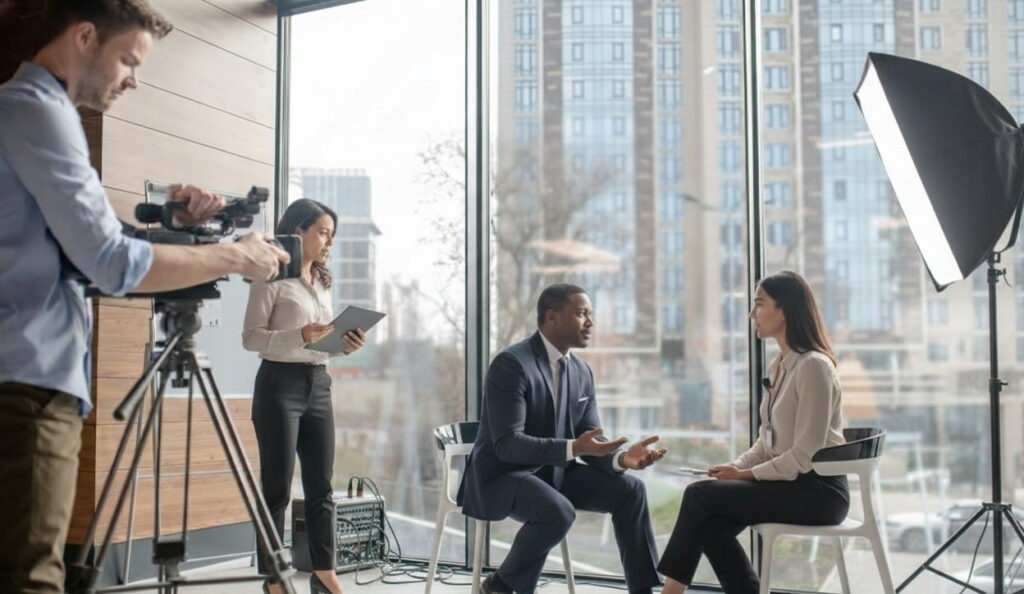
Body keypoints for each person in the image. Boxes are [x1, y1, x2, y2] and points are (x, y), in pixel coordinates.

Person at [0, 1, 289, 592]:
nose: (134, 78)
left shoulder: (21, 109)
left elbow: (79, 246)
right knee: (31, 578)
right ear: (85, 37)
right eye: (129, 59)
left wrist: (171, 226)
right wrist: (236, 255)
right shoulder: (40, 114)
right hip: (27, 389)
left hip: (22, 377)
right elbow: (109, 263)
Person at [458, 283, 667, 594]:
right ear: (552, 316)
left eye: (590, 314)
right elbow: (508, 444)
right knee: (557, 510)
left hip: (553, 474)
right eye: (582, 313)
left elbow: (591, 440)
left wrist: (621, 458)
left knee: (631, 490)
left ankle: (643, 590)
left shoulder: (581, 371)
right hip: (504, 475)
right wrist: (573, 448)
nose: (591, 322)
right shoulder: (512, 364)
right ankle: (500, 586)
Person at [657, 271, 849, 594]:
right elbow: (766, 442)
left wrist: (744, 476)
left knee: (697, 495)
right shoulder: (780, 365)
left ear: (785, 309)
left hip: (819, 493)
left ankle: (670, 592)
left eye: (759, 305)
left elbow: (805, 456)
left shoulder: (814, 367)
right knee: (710, 523)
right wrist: (734, 469)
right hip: (789, 486)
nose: (751, 314)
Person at [242, 199, 366, 594]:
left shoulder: (323, 282)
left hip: (318, 383)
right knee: (277, 488)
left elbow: (320, 347)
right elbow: (251, 338)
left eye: (333, 234)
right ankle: (274, 577)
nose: (330, 241)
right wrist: (301, 335)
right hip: (278, 385)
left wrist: (343, 345)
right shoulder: (271, 277)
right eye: (324, 232)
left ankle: (323, 571)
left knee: (322, 486)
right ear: (299, 232)